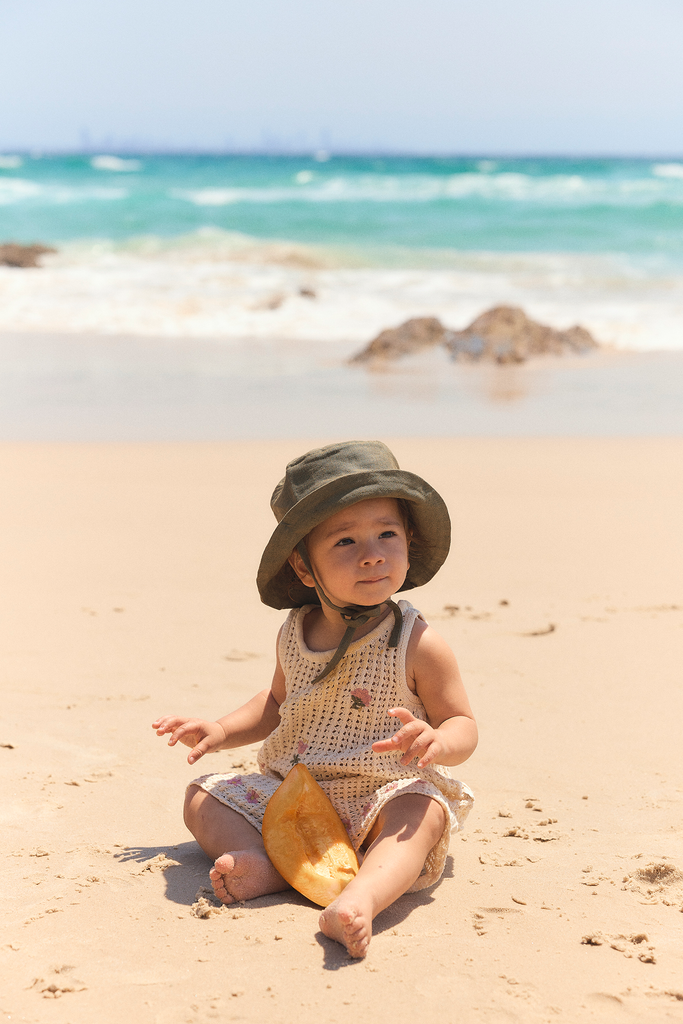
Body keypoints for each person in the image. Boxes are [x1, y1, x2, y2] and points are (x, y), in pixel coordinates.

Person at [153, 440, 477, 958]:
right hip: (296, 797)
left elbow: (462, 721)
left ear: (408, 544)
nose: (372, 552)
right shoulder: (294, 633)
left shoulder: (416, 642)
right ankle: (258, 857)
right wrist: (222, 730)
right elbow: (278, 703)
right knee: (202, 794)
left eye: (386, 534)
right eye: (345, 541)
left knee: (423, 810)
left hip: (381, 796)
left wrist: (437, 740)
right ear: (305, 570)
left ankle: (361, 897)